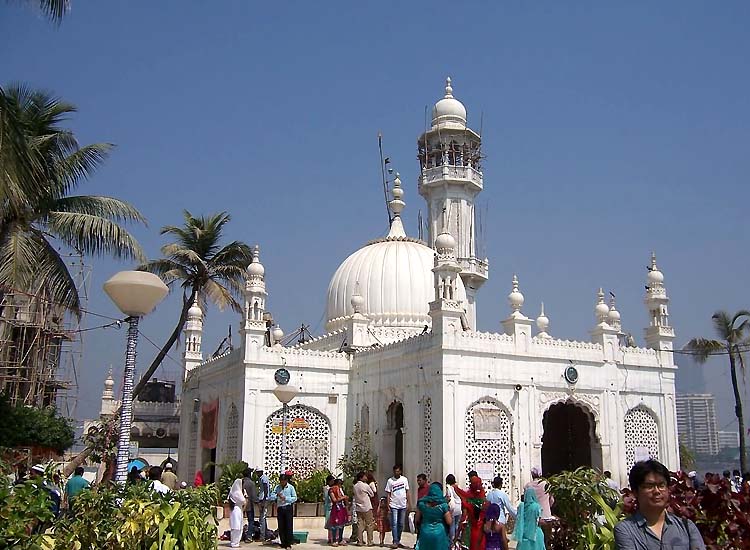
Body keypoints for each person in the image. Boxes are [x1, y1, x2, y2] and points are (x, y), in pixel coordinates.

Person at [614, 459, 705, 549]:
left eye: (661, 486)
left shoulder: (687, 527)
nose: (657, 491)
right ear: (635, 492)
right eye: (650, 486)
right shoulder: (625, 530)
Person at [414, 482, 451, 550]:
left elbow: (417, 519)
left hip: (425, 531)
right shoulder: (443, 505)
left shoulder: (422, 504)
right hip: (439, 533)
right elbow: (449, 521)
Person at [385, 464, 411, 549]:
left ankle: (398, 540)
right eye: (395, 471)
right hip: (394, 504)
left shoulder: (404, 480)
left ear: (400, 471)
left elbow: (407, 491)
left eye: (398, 471)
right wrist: (388, 504)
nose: (396, 472)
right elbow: (388, 493)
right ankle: (395, 541)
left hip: (402, 504)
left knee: (401, 524)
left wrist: (408, 503)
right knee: (394, 523)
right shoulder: (390, 481)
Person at [271, 473, 298, 550]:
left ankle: (288, 543)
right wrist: (276, 496)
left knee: (288, 526)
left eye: (283, 481)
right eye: (281, 481)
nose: (282, 482)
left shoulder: (291, 488)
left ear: (286, 480)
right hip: (280, 508)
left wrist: (285, 498)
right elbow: (272, 496)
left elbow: (295, 498)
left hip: (288, 507)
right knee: (281, 526)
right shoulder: (277, 487)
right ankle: (283, 542)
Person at [354, 471, 376, 546]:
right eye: (364, 476)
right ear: (361, 477)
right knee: (369, 524)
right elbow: (372, 494)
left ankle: (359, 541)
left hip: (358, 507)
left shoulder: (355, 486)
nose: (366, 478)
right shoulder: (365, 485)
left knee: (360, 524)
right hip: (366, 507)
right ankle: (370, 541)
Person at [329, 478, 350, 546]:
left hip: (342, 507)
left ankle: (340, 539)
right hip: (336, 508)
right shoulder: (332, 490)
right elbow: (334, 500)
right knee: (335, 524)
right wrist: (343, 497)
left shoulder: (339, 490)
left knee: (341, 524)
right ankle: (334, 540)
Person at [228, 477, 247, 548]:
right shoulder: (237, 492)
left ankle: (235, 542)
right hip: (237, 510)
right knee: (237, 527)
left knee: (236, 527)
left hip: (236, 510)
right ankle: (235, 543)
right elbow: (244, 501)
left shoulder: (232, 492)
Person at [444, 475, 462, 541]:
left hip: (453, 509)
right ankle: (457, 540)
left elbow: (448, 498)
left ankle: (452, 541)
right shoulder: (458, 487)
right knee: (457, 524)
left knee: (452, 525)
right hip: (459, 508)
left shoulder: (449, 488)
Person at [242, 467, 258, 541]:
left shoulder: (241, 482)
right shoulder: (251, 483)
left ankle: (240, 535)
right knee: (251, 521)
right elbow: (254, 496)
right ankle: (249, 536)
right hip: (249, 505)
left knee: (240, 520)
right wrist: (257, 503)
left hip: (241, 505)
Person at [257, 468, 271, 540]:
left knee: (262, 518)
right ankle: (265, 534)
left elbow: (266, 489)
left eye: (257, 472)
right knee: (263, 518)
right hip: (263, 498)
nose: (256, 474)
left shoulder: (264, 478)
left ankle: (262, 536)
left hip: (263, 499)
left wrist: (264, 500)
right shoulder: (262, 478)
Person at [324, 474, 336, 543]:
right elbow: (328, 498)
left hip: (332, 507)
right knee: (330, 523)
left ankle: (333, 537)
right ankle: (330, 538)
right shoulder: (327, 488)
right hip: (329, 507)